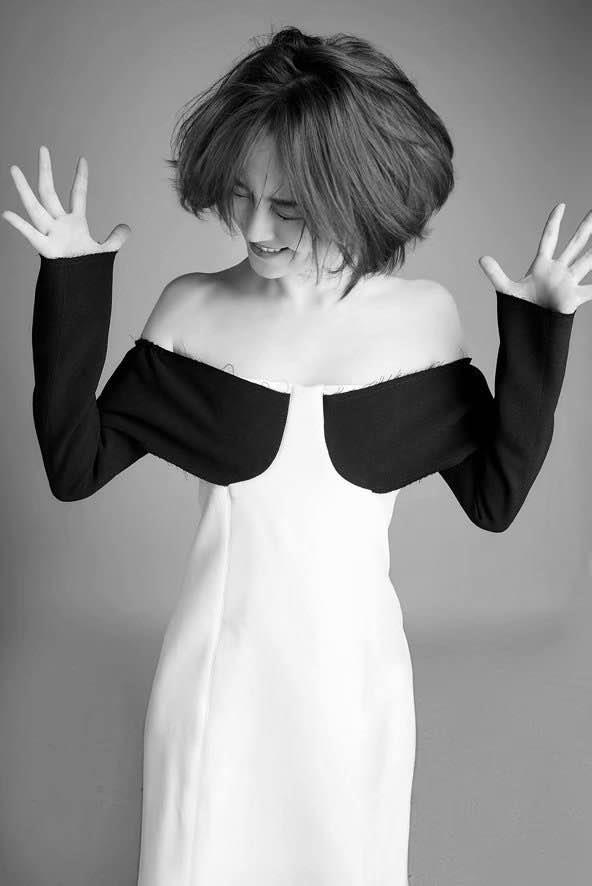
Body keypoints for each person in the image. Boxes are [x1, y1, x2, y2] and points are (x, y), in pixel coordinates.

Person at [3, 25, 588, 886]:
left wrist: (540, 333)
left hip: (356, 694)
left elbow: (494, 498)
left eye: (288, 207)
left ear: (359, 195)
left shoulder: (423, 320)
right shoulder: (192, 310)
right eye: (241, 195)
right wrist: (71, 284)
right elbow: (74, 465)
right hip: (217, 689)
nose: (252, 226)